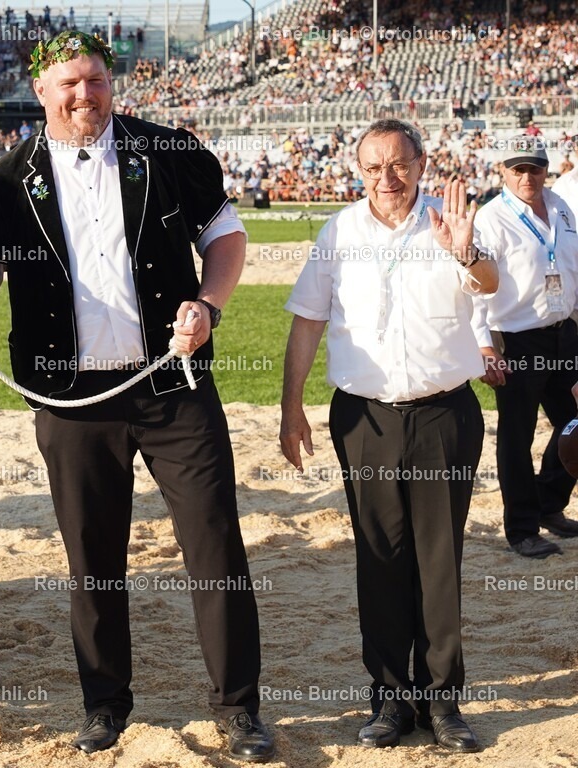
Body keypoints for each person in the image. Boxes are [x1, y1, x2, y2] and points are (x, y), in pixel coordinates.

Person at [0, 30, 274, 762]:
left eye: (95, 80)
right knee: (91, 558)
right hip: (70, 399)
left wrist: (209, 305)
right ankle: (104, 706)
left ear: (110, 82)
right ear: (42, 93)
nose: (85, 95)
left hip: (173, 385)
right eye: (69, 84)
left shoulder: (169, 151)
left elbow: (227, 236)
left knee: (215, 545)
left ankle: (239, 709)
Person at [280, 119, 498, 753]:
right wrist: (291, 407)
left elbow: (489, 287)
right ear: (358, 172)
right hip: (365, 420)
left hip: (443, 418)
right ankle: (388, 702)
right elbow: (307, 322)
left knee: (438, 563)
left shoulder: (450, 223)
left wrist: (465, 251)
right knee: (379, 562)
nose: (387, 179)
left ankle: (444, 705)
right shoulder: (338, 232)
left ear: (421, 164)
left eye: (398, 165)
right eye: (373, 168)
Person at [472, 136, 578, 558]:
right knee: (517, 435)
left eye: (534, 168)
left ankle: (549, 503)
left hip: (564, 332)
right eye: (518, 168)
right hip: (515, 338)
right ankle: (521, 529)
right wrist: (484, 347)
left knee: (573, 422)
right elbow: (475, 290)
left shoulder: (562, 208)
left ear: (546, 169)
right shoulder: (491, 218)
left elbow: (572, 268)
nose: (527, 176)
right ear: (503, 171)